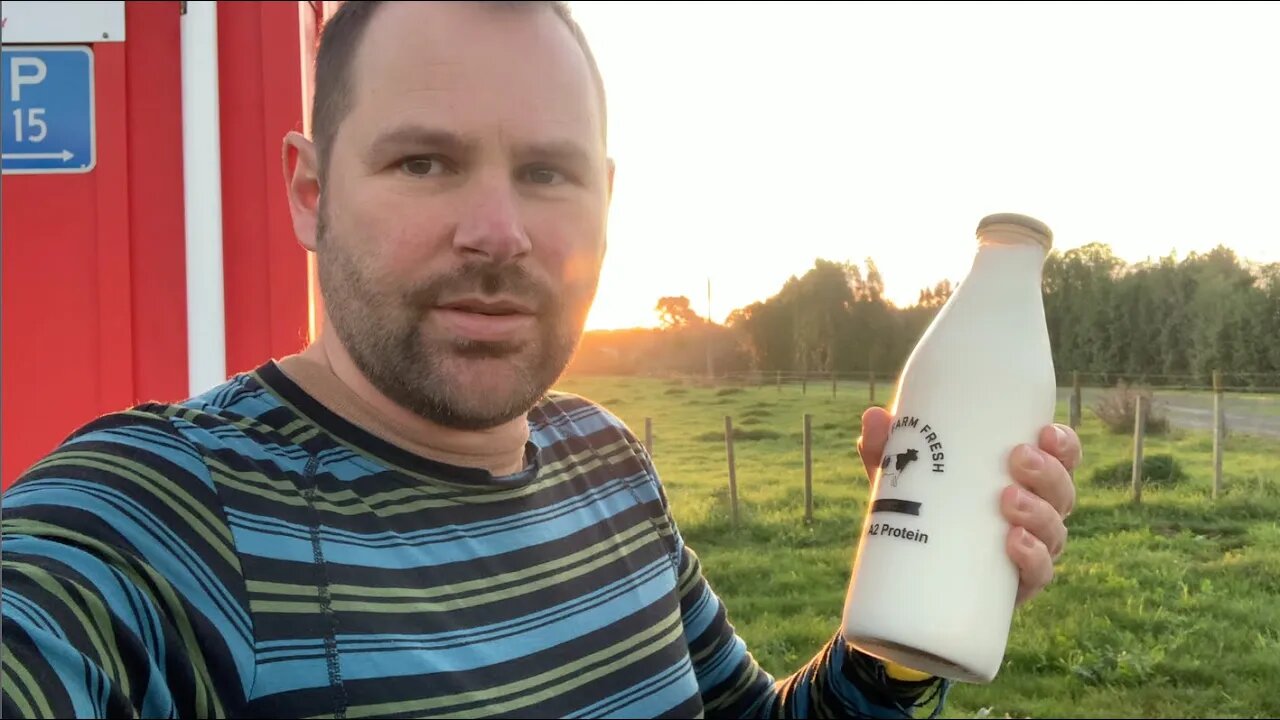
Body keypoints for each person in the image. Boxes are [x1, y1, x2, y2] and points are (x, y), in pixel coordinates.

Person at [0, 2, 1079, 718]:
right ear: (310, 189)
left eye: (548, 174)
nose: (497, 231)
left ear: (606, 201)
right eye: (425, 160)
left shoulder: (604, 461)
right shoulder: (165, 514)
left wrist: (896, 631)